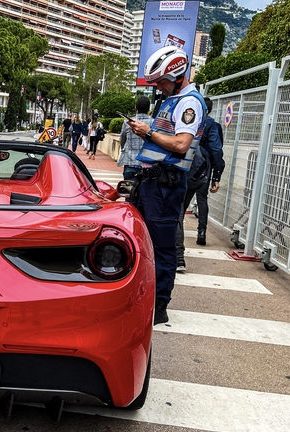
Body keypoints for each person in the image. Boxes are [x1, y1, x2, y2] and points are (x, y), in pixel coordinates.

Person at [127, 46, 207, 325]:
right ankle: (144, 297)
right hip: (153, 182)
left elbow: (182, 144)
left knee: (161, 247)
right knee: (140, 241)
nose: (158, 87)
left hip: (166, 184)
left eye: (161, 81)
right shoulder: (174, 100)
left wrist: (147, 131)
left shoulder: (189, 103)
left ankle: (159, 306)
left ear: (177, 76)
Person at [175, 96, 225, 272]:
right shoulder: (213, 125)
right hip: (204, 171)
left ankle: (179, 256)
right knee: (202, 200)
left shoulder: (187, 121)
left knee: (179, 210)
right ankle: (201, 232)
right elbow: (217, 151)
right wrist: (216, 176)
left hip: (184, 169)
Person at [117, 96, 152, 181]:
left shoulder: (127, 122)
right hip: (147, 165)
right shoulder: (153, 122)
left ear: (135, 108)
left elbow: (122, 139)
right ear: (148, 108)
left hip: (130, 163)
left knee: (129, 192)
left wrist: (123, 149)